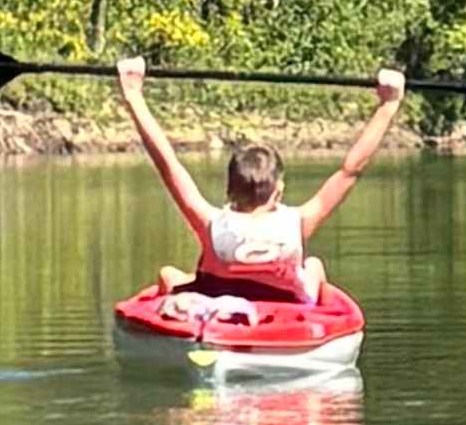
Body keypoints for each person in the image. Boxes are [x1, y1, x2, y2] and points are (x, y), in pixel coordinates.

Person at [112, 58, 405, 301]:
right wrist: (389, 105)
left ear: (229, 189)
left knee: (168, 275)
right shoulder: (299, 222)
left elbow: (168, 164)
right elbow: (349, 170)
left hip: (217, 303)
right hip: (286, 309)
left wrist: (133, 94)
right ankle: (313, 317)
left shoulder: (211, 223)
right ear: (278, 190)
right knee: (313, 266)